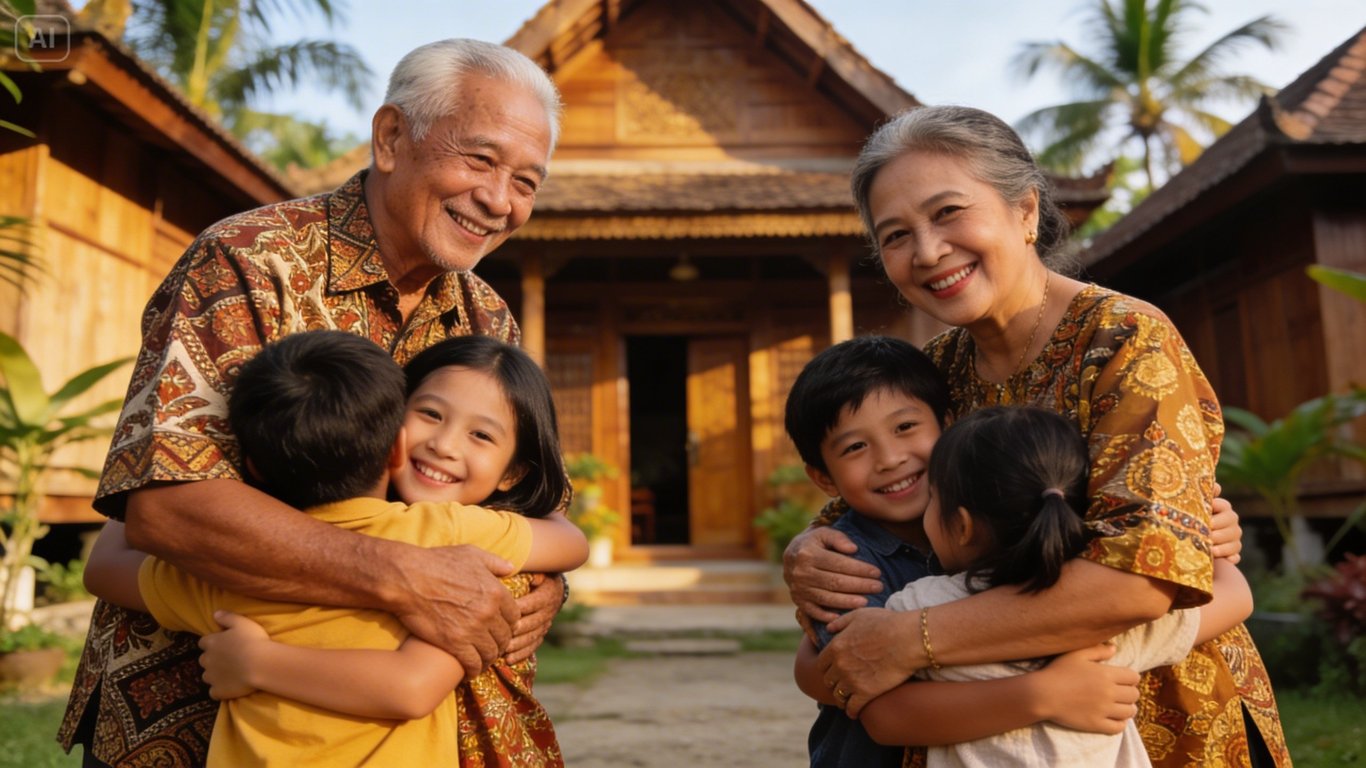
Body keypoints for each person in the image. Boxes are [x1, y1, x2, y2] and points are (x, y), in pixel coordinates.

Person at [59, 38, 566, 767]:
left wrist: (544, 587)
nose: (499, 200)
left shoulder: (487, 316)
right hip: (202, 713)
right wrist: (403, 574)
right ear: (391, 137)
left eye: (526, 181)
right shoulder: (247, 260)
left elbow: (532, 502)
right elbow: (164, 504)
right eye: (480, 160)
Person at [784, 105, 1290, 767]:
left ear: (1025, 212)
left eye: (947, 213)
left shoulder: (1123, 340)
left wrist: (914, 639)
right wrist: (808, 554)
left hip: (1150, 707)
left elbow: (1142, 580)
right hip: (977, 730)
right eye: (896, 234)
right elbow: (866, 540)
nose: (928, 252)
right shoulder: (934, 372)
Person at [83, 331, 588, 766]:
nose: (444, 445)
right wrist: (257, 663)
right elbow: (569, 543)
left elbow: (105, 566)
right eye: (430, 414)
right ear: (393, 440)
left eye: (480, 434)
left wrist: (154, 482)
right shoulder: (456, 541)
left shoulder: (237, 561)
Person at [784, 336, 1152, 768]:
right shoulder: (843, 563)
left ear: (948, 421)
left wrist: (1204, 542)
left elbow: (1202, 600)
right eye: (854, 448)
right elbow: (886, 713)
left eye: (905, 427)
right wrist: (1046, 695)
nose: (889, 458)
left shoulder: (1013, 516)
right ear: (824, 478)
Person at [863, 405, 1252, 767]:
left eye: (932, 498)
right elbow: (1236, 596)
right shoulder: (1109, 620)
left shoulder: (920, 605)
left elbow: (878, 714)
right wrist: (1202, 525)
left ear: (962, 526)